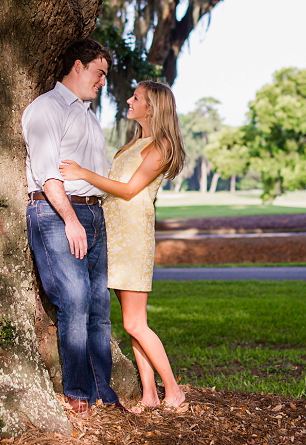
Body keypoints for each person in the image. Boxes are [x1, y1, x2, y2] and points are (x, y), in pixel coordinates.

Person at [58, 80, 187, 412]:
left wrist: (81, 173)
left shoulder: (160, 147)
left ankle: (173, 391)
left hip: (133, 236)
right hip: (112, 233)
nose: (129, 100)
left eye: (136, 98)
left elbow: (129, 190)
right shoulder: (135, 144)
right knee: (131, 322)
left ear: (152, 107)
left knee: (135, 323)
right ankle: (150, 394)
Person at [22, 38, 128, 419]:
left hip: (93, 214)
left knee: (99, 309)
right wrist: (69, 219)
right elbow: (48, 174)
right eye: (99, 73)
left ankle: (104, 393)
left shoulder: (86, 114)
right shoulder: (46, 109)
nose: (102, 82)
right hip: (56, 213)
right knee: (76, 301)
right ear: (78, 66)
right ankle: (77, 392)